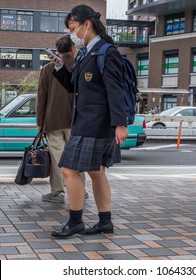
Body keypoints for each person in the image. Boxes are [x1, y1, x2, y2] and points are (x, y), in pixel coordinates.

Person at [50, 4, 128, 238]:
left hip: (95, 123)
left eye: (73, 28)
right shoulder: (86, 52)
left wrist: (121, 123)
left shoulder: (107, 51)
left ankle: (75, 221)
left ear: (87, 24)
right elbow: (77, 88)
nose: (71, 34)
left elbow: (115, 89)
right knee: (96, 172)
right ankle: (105, 222)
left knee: (68, 169)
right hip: (88, 122)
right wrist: (60, 65)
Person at [36, 34, 87, 203]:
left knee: (58, 158)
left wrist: (40, 123)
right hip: (76, 121)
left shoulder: (48, 69)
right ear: (73, 49)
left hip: (53, 121)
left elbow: (41, 98)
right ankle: (80, 190)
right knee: (76, 156)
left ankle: (57, 192)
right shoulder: (80, 67)